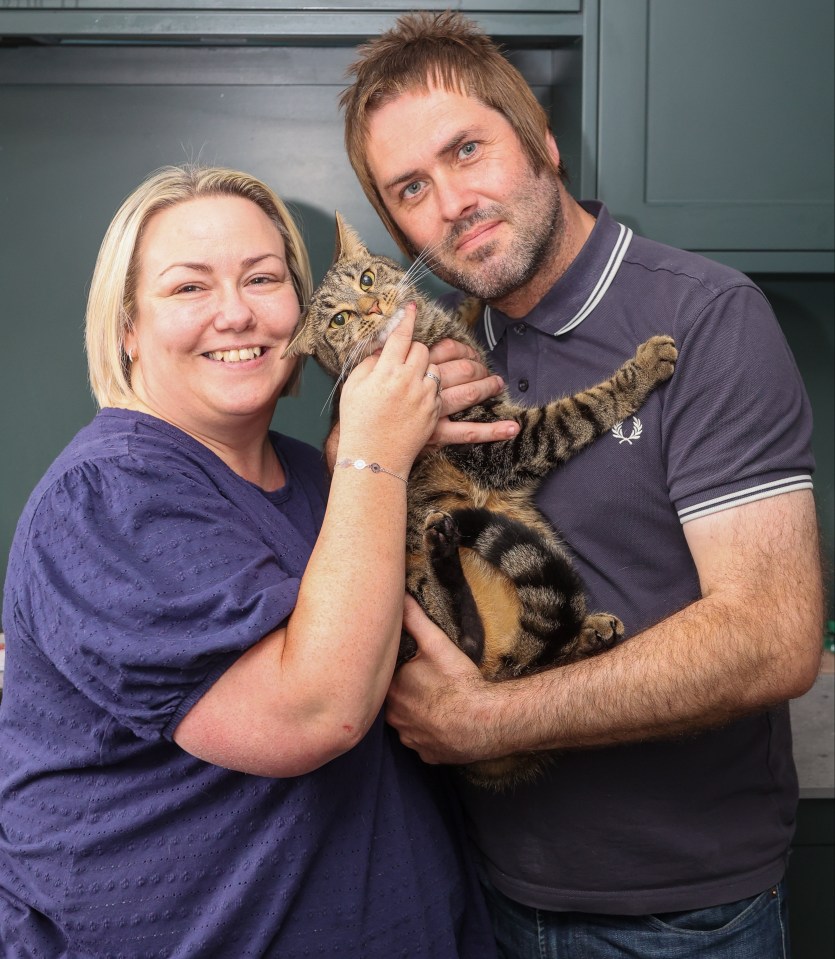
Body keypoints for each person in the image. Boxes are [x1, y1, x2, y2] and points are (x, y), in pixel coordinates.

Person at [339, 11, 826, 959]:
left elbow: (773, 638)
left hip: (681, 917)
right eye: (411, 187)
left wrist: (486, 721)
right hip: (475, 886)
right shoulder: (434, 348)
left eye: (467, 150)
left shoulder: (705, 317)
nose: (451, 202)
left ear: (541, 142)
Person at [0, 163, 516, 958]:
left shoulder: (319, 476)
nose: (235, 314)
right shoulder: (106, 494)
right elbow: (312, 712)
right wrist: (376, 453)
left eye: (263, 278)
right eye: (187, 288)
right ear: (128, 326)